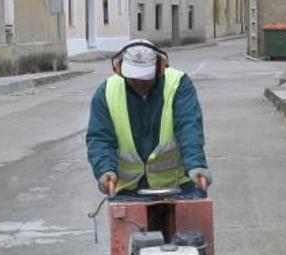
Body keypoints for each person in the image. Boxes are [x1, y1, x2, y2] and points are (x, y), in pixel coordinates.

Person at [86, 39, 211, 197]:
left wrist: (196, 165)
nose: (139, 84)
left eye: (145, 78)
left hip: (177, 184)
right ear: (119, 69)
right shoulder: (106, 93)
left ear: (160, 67)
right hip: (128, 188)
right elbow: (100, 138)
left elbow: (189, 127)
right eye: (133, 79)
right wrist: (105, 170)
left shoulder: (178, 85)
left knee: (191, 220)